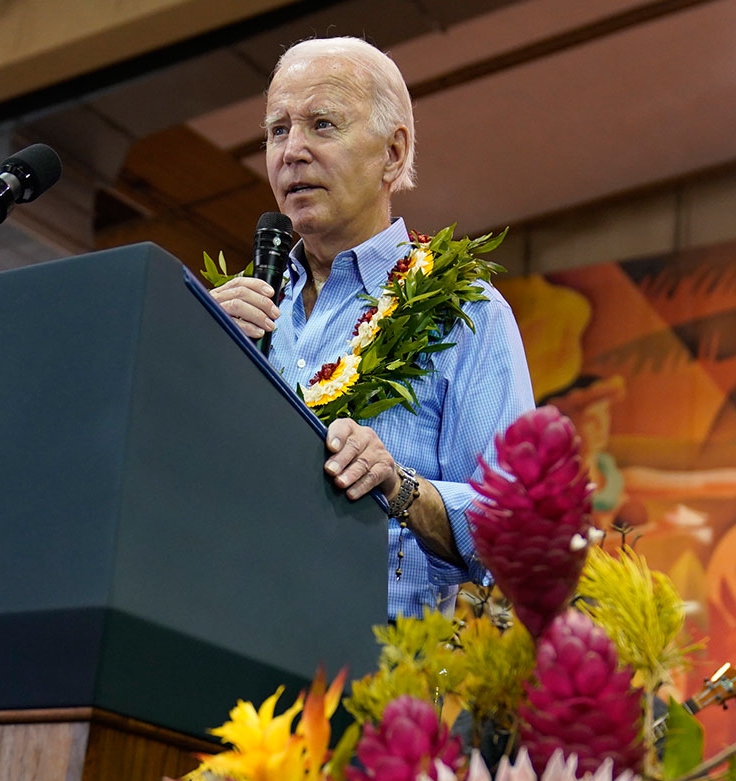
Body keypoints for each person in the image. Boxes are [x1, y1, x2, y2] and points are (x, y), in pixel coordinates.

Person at [210, 36, 535, 619]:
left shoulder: (466, 313)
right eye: (278, 130)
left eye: (323, 125)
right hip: (233, 658)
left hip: (391, 688)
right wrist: (188, 353)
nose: (292, 152)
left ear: (392, 152)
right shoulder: (231, 316)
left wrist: (398, 485)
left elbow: (516, 526)